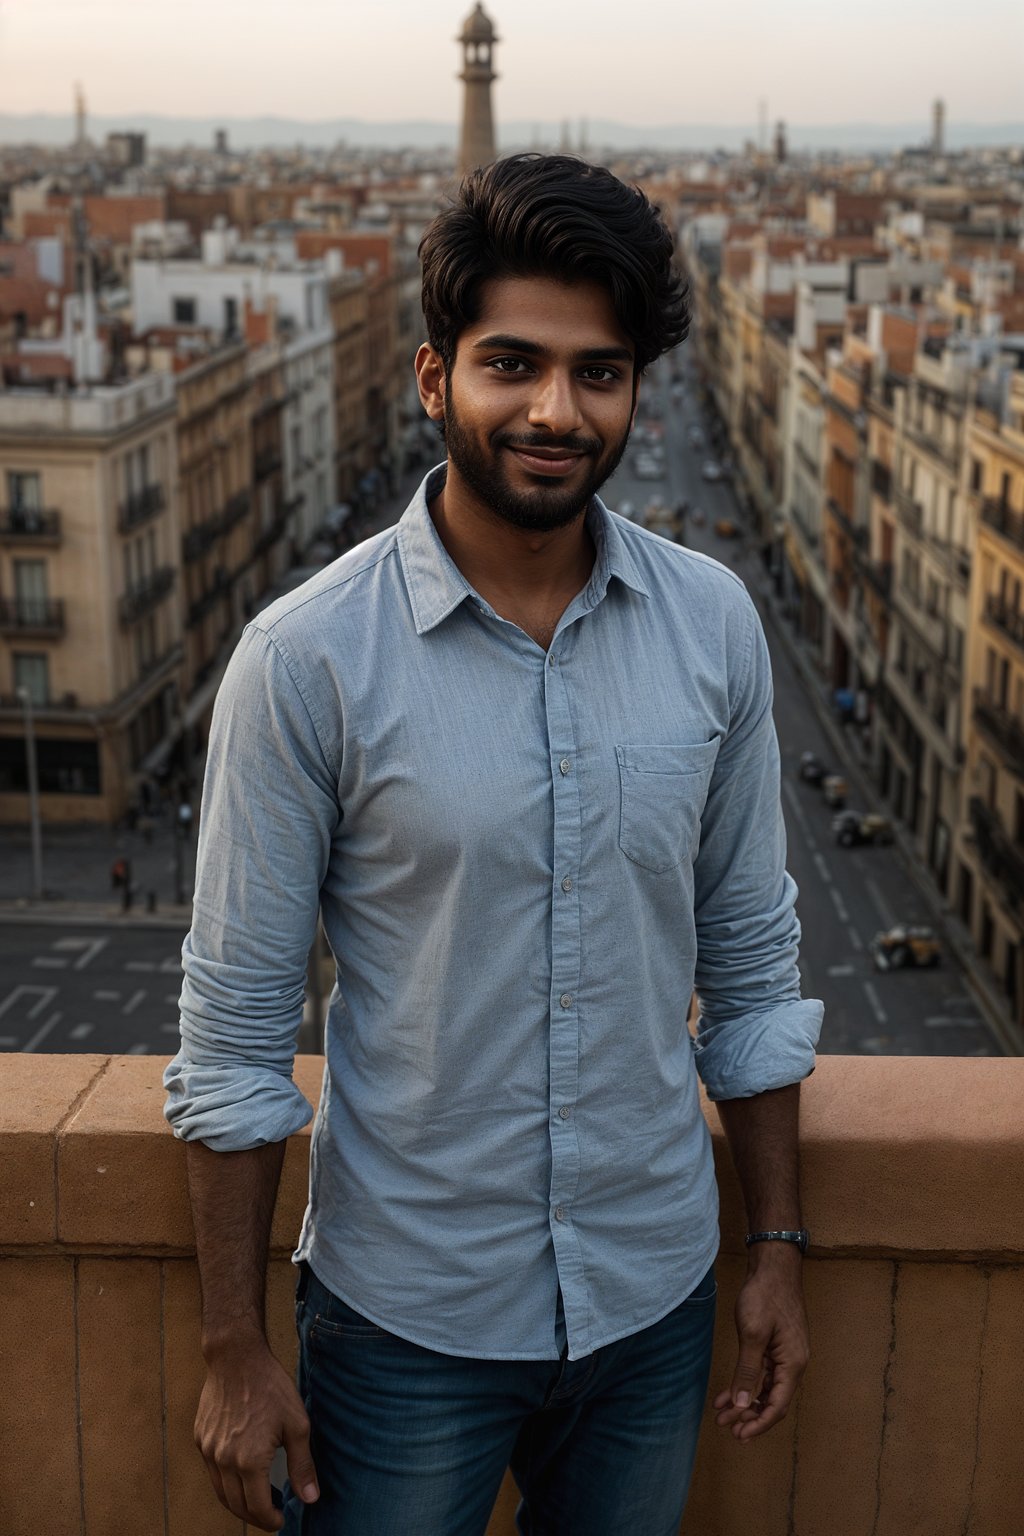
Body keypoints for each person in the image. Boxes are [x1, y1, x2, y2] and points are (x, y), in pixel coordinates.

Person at [163, 153, 823, 1536]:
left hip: (653, 1306)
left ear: (637, 388)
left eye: (598, 372)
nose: (554, 409)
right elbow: (232, 1037)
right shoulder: (308, 662)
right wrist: (233, 1344)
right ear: (432, 376)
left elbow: (754, 968)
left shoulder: (712, 631)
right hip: (406, 1327)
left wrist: (775, 1247)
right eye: (511, 363)